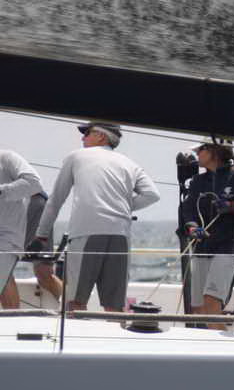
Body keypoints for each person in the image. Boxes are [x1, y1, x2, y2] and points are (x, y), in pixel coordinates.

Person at [28, 122, 160, 313]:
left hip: (86, 233)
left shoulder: (76, 156)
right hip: (121, 235)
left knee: (75, 301)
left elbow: (56, 200)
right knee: (114, 304)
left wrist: (41, 235)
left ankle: (77, 333)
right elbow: (152, 195)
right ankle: (115, 332)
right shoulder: (130, 163)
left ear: (101, 136)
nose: (83, 138)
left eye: (87, 133)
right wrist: (121, 207)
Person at [180, 143, 234, 329]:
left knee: (211, 301)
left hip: (228, 247)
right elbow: (188, 210)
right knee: (198, 308)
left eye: (200, 150)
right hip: (202, 247)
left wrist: (232, 206)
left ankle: (222, 346)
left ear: (213, 151)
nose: (196, 154)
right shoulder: (197, 181)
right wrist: (192, 227)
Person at [0, 149, 43, 309]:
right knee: (6, 279)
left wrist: (2, 191)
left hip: (6, 237)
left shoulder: (7, 158)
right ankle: (13, 321)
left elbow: (34, 183)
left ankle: (13, 320)